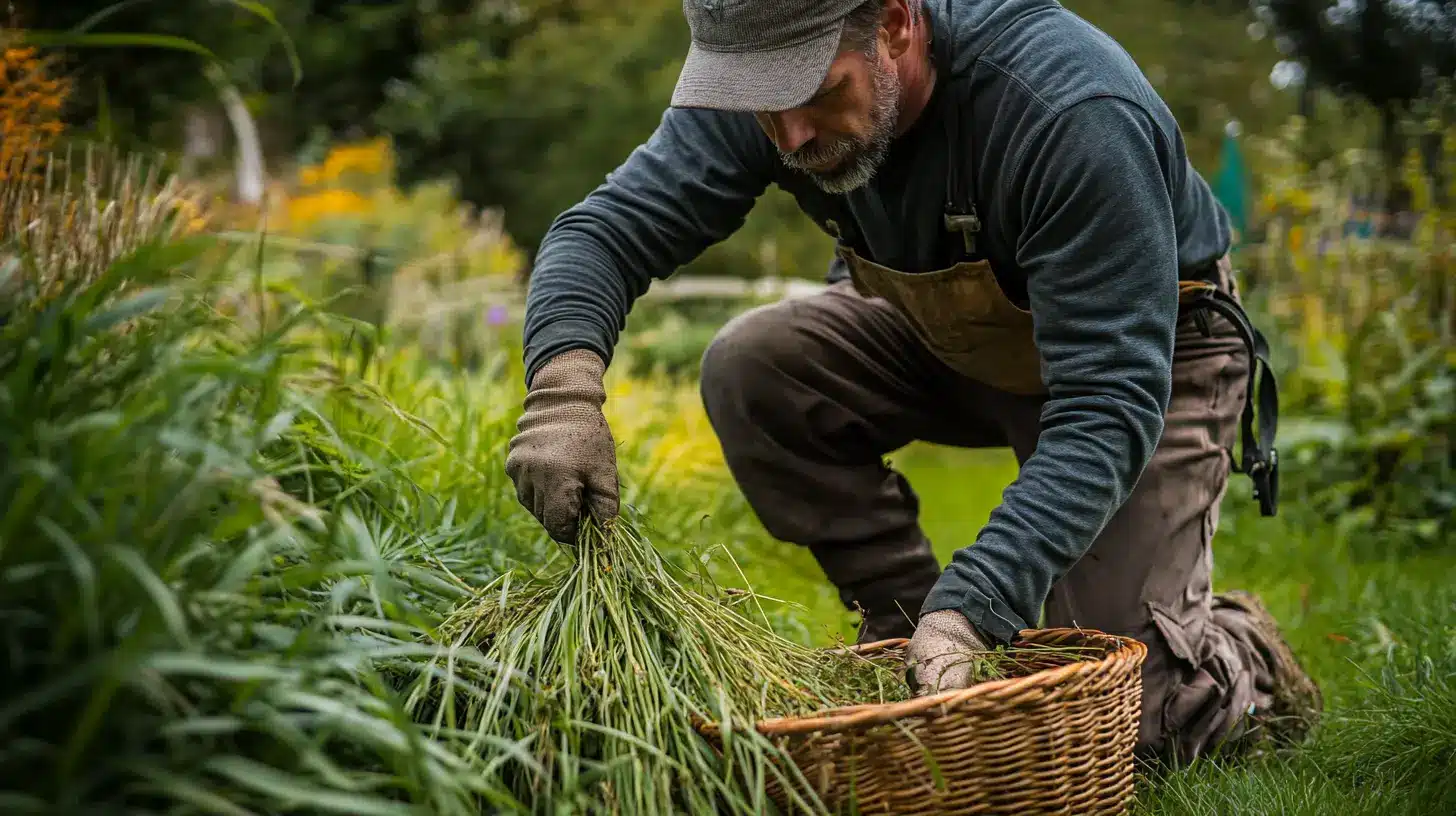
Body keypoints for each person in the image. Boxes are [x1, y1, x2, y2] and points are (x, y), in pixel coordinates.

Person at [503, 0, 1321, 764]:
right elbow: (603, 232)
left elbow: (1107, 402)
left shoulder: (1069, 109)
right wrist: (563, 392)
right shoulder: (767, 90)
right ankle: (904, 635)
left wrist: (983, 597)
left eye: (819, 93)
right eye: (762, 107)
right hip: (948, 338)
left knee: (1124, 716)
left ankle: (1233, 651)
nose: (787, 136)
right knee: (754, 366)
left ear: (896, 23)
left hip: (1147, 360)